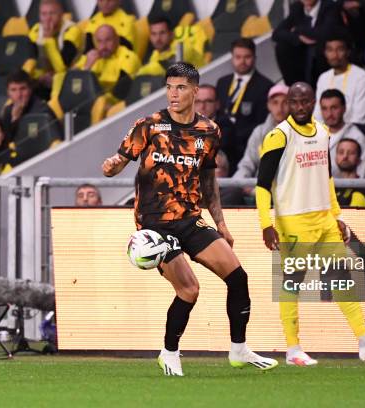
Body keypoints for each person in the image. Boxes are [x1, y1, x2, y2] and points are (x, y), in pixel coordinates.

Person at [101, 62, 278, 376]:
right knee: (189, 289)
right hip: (155, 226)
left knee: (238, 277)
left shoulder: (209, 131)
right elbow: (122, 158)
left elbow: (208, 180)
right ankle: (169, 352)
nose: (173, 93)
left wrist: (221, 223)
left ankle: (239, 350)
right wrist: (113, 164)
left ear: (195, 90)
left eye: (180, 87)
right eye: (169, 87)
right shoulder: (149, 125)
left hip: (190, 219)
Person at [255, 82, 365, 365]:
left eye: (305, 101)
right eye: (294, 101)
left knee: (341, 278)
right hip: (293, 221)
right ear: (288, 102)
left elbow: (328, 178)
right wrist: (266, 222)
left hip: (323, 218)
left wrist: (338, 217)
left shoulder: (323, 133)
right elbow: (262, 184)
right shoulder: (278, 136)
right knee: (292, 283)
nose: (300, 107)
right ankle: (292, 349)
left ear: (313, 102)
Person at [216, 38, 273, 172]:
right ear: (232, 58)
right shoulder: (222, 83)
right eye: (238, 57)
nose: (242, 61)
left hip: (245, 147)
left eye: (247, 57)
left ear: (254, 57)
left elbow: (262, 123)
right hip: (220, 145)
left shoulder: (265, 86)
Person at [272, 0, 344, 85]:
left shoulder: (330, 6)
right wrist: (298, 38)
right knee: (282, 46)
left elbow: (325, 33)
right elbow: (276, 33)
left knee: (320, 48)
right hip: (303, 53)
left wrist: (297, 30)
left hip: (323, 54)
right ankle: (295, 88)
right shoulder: (297, 7)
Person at [313, 30, 365, 127]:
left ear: (348, 52)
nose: (334, 55)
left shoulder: (361, 77)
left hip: (354, 135)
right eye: (330, 50)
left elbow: (360, 120)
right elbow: (317, 116)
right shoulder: (323, 78)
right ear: (325, 53)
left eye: (339, 49)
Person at [28, 0, 83, 98]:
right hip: (45, 80)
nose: (48, 18)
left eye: (52, 13)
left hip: (69, 79)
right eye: (43, 14)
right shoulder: (35, 30)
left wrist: (49, 39)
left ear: (61, 14)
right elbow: (33, 60)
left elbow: (62, 67)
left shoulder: (72, 30)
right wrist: (40, 77)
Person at [73, 24, 140, 103]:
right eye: (99, 41)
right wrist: (86, 67)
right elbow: (74, 88)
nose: (103, 46)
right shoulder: (90, 57)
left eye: (108, 40)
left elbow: (120, 92)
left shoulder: (128, 57)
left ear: (117, 40)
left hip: (121, 104)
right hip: (93, 103)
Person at [319, 89, 365, 178]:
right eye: (324, 109)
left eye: (334, 108)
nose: (329, 114)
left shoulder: (357, 137)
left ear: (344, 108)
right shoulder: (314, 136)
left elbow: (361, 177)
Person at [136, 15, 205, 77]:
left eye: (162, 33)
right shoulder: (155, 55)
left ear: (171, 34)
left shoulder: (183, 47)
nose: (158, 38)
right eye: (154, 34)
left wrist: (140, 73)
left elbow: (170, 68)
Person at [2, 70, 59, 140]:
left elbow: (32, 141)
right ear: (8, 93)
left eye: (22, 89)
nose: (19, 95)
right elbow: (5, 142)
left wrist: (16, 120)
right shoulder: (8, 111)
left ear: (30, 89)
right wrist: (14, 119)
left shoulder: (41, 111)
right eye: (13, 90)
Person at [194, 84, 234, 159]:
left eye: (208, 101)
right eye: (198, 101)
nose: (202, 106)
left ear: (217, 104)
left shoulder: (226, 127)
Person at [334, 138, 365, 206]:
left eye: (351, 153)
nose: (345, 156)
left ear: (359, 160)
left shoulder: (363, 188)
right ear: (335, 158)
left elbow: (352, 215)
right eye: (341, 152)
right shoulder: (330, 187)